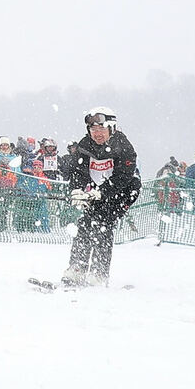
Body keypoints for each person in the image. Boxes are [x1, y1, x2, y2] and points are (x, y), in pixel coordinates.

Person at [62, 107, 141, 288]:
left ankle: (98, 274)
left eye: (101, 129)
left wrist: (101, 193)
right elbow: (78, 172)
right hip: (96, 192)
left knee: (102, 225)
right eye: (93, 130)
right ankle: (77, 269)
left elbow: (123, 177)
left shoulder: (124, 147)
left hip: (123, 193)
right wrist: (77, 191)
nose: (97, 134)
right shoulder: (85, 145)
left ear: (111, 129)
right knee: (85, 225)